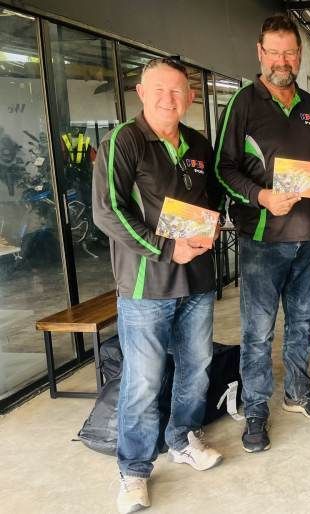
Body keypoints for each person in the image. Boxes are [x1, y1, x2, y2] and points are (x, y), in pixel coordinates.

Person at [214, 15, 310, 453]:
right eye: (274, 52)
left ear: (300, 55)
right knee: (257, 332)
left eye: (290, 52)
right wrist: (261, 196)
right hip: (261, 240)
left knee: (301, 324)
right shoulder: (243, 103)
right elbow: (223, 168)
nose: (282, 60)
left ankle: (296, 391)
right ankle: (256, 409)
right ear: (260, 53)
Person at [93, 57, 223, 513]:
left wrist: (212, 226)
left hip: (198, 280)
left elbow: (211, 201)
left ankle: (182, 439)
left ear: (189, 97)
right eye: (160, 90)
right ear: (141, 93)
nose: (170, 98)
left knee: (196, 366)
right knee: (143, 381)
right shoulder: (122, 142)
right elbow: (107, 211)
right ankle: (133, 470)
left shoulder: (198, 143)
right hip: (147, 285)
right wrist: (166, 249)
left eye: (178, 91)